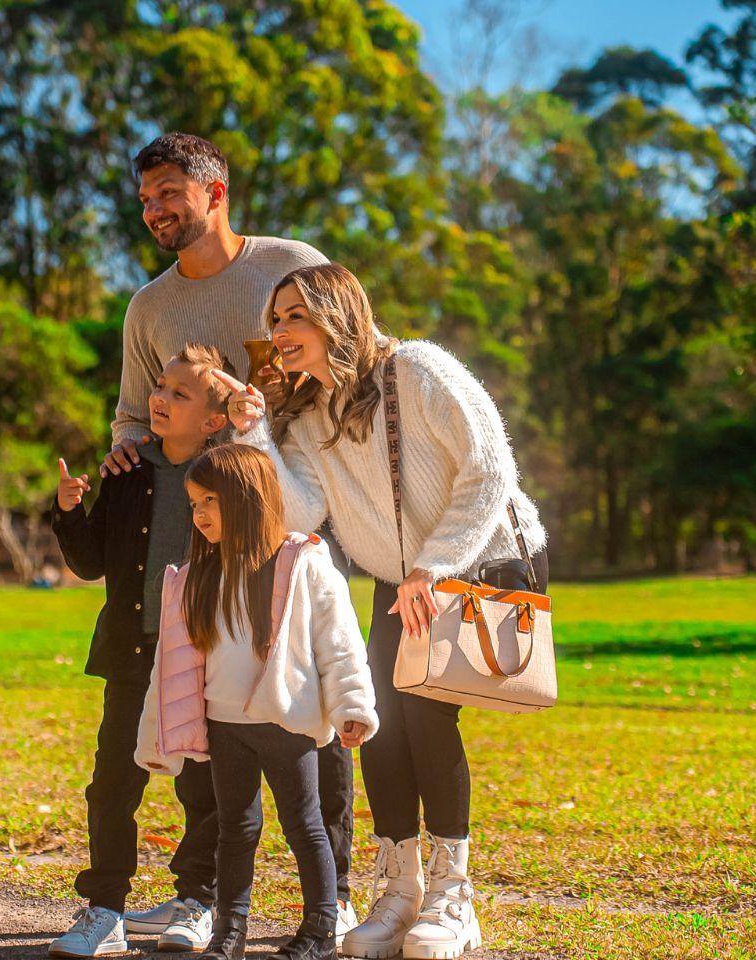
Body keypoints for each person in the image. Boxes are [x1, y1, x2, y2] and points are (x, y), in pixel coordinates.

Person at [214, 263, 549, 960]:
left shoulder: (420, 369)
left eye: (293, 317)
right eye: (274, 321)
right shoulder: (308, 414)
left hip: (476, 557)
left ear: (338, 315)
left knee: (423, 709)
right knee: (378, 718)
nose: (277, 334)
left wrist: (435, 565)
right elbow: (300, 512)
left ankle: (453, 900)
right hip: (405, 579)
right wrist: (254, 435)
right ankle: (399, 890)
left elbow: (491, 468)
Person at [104, 132, 360, 942]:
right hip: (202, 530)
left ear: (216, 192)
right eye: (146, 198)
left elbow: (341, 368)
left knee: (311, 701)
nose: (155, 209)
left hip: (298, 513)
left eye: (170, 192)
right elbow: (133, 416)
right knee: (211, 705)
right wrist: (121, 450)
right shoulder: (149, 306)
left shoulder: (290, 265)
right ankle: (201, 894)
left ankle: (337, 893)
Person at [135, 445, 379, 960]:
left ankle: (320, 928)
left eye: (209, 502)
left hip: (285, 725)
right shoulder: (196, 576)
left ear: (246, 500)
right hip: (226, 728)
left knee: (305, 826)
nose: (197, 515)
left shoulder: (303, 563)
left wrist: (351, 707)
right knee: (235, 830)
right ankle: (230, 930)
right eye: (193, 504)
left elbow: (340, 642)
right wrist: (158, 736)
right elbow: (171, 666)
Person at [48, 345, 236, 958]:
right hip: (132, 654)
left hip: (205, 657)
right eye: (160, 386)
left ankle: (197, 902)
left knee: (202, 787)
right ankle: (105, 910)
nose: (160, 398)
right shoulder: (125, 473)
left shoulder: (230, 477)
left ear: (214, 418)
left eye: (181, 393)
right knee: (112, 786)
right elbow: (91, 562)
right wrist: (71, 513)